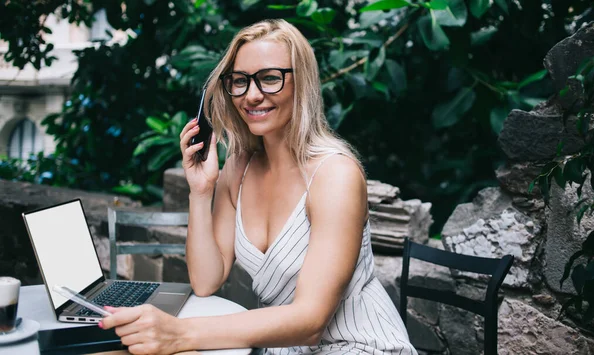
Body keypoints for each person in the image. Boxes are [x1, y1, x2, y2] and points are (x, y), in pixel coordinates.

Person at [101, 19, 417, 355]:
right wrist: (201, 191)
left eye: (269, 78)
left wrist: (179, 333)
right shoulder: (239, 166)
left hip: (359, 346)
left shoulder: (335, 175)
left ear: (301, 83)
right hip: (282, 349)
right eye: (240, 81)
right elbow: (207, 281)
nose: (251, 95)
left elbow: (311, 321)